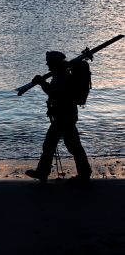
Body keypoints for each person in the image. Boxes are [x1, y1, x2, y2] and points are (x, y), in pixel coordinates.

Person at [25, 51, 92, 185]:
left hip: (64, 116)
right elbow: (56, 93)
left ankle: (44, 173)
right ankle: (44, 173)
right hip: (66, 115)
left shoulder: (61, 75)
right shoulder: (60, 74)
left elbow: (55, 94)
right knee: (63, 145)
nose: (47, 64)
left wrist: (42, 83)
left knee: (63, 146)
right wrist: (43, 83)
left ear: (54, 63)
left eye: (49, 62)